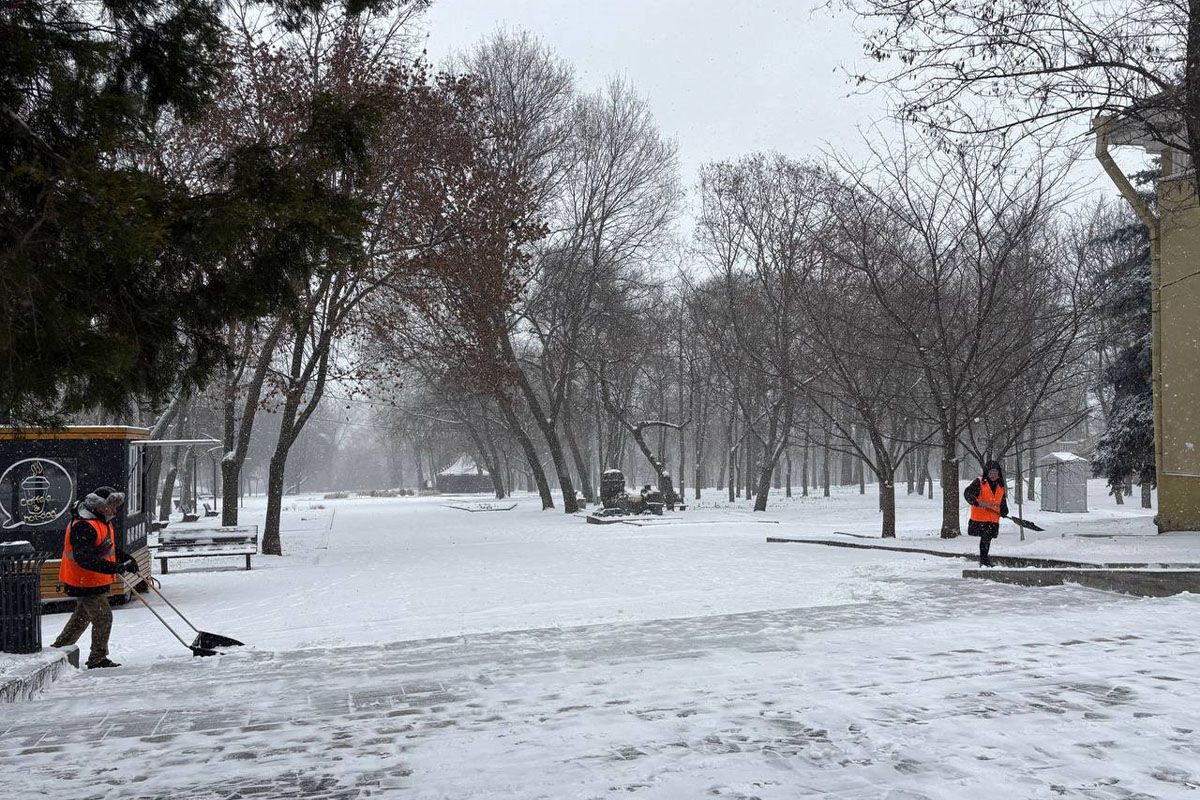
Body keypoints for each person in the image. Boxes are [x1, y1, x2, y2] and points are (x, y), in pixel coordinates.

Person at [51, 486, 139, 668]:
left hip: (92, 580)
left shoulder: (100, 521)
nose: (115, 510)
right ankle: (97, 658)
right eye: (112, 506)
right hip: (83, 580)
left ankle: (59, 649)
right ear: (100, 506)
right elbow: (84, 558)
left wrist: (126, 559)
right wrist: (115, 567)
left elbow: (106, 547)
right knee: (103, 616)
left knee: (82, 617)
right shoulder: (83, 525)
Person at [964, 460, 1008, 567]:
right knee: (985, 538)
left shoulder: (1000, 486)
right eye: (991, 472)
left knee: (987, 539)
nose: (993, 475)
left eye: (995, 472)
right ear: (987, 473)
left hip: (993, 518)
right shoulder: (979, 482)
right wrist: (974, 500)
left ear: (998, 473)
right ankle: (984, 561)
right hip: (980, 518)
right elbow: (967, 493)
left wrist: (1004, 510)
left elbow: (1001, 501)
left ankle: (984, 560)